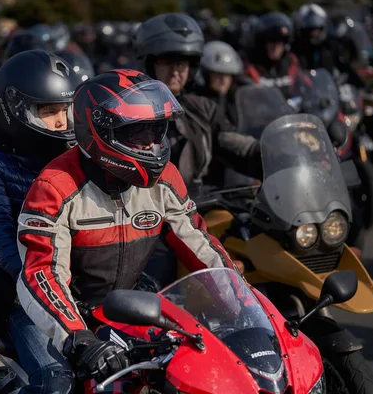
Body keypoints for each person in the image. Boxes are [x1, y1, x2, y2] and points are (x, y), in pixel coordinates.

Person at [13, 69, 237, 392]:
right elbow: (41, 274)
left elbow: (200, 243)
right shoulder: (55, 187)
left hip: (118, 306)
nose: (151, 144)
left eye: (155, 130)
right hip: (49, 314)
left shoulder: (165, 179)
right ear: (99, 131)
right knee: (57, 384)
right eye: (136, 132)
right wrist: (77, 337)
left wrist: (243, 305)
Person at [0, 50, 81, 394]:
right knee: (0, 282)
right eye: (49, 112)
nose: (62, 121)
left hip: (41, 249)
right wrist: (30, 275)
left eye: (66, 110)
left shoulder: (75, 158)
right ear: (18, 111)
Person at [132, 13, 261, 186]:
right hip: (146, 207)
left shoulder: (202, 108)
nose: (175, 71)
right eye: (167, 62)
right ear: (148, 63)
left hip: (197, 205)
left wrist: (270, 152)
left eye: (182, 64)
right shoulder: (131, 111)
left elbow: (232, 143)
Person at [242, 12, 301, 98]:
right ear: (261, 43)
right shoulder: (249, 65)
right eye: (271, 41)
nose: (275, 47)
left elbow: (304, 87)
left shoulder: (291, 62)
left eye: (280, 42)